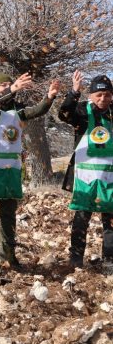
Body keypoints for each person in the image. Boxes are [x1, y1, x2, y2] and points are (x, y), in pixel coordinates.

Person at [0, 72, 58, 267]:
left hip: (10, 168)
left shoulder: (17, 109)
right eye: (2, 85)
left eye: (9, 84)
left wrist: (49, 97)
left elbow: (35, 111)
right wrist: (11, 89)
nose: (7, 87)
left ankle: (8, 253)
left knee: (8, 212)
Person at [58, 71, 113, 268]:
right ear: (91, 95)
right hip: (84, 176)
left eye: (107, 95)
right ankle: (76, 259)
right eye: (99, 95)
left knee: (110, 220)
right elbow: (64, 114)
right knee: (81, 218)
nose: (103, 99)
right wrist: (74, 92)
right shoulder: (81, 110)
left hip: (109, 176)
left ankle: (109, 260)